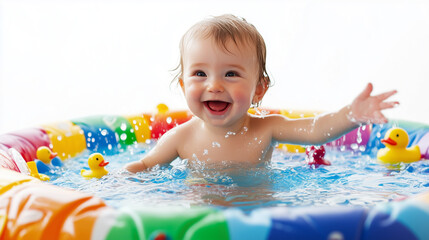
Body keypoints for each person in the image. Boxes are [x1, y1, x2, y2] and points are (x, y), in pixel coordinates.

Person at [125, 14, 398, 173]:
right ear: (184, 87)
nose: (214, 86)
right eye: (200, 74)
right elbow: (144, 166)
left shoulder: (266, 128)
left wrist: (351, 115)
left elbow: (315, 130)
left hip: (259, 218)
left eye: (231, 74)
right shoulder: (180, 138)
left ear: (259, 89)